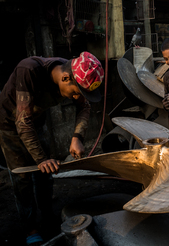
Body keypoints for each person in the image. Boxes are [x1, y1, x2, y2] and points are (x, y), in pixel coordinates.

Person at [0, 51, 104, 245]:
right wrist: (40, 159)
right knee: (22, 177)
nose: (76, 97)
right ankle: (30, 227)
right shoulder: (29, 70)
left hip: (36, 123)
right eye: (75, 92)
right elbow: (22, 123)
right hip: (10, 125)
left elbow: (85, 106)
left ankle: (47, 215)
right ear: (65, 78)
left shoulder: (72, 72)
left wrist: (77, 137)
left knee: (44, 175)